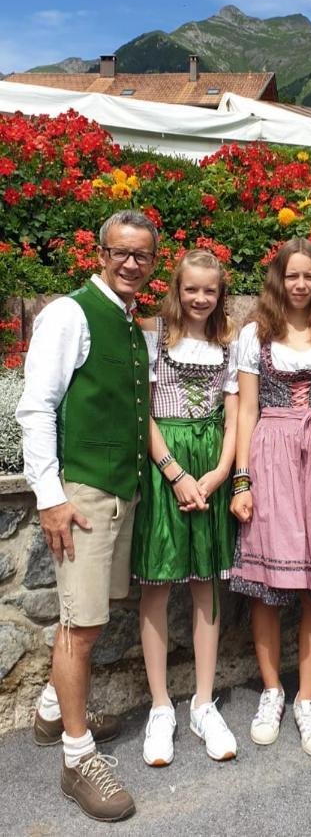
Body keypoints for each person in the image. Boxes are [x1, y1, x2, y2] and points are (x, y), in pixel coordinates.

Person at [16, 209, 159, 821]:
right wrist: (49, 494)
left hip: (119, 489)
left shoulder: (128, 322)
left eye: (142, 255)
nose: (131, 263)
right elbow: (36, 407)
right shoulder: (71, 313)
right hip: (83, 494)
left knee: (95, 617)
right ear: (100, 253)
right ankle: (78, 759)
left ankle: (54, 712)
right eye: (121, 252)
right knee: (79, 625)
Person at [230, 238, 311, 758]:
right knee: (266, 585)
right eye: (291, 275)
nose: (300, 284)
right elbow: (244, 411)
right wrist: (241, 480)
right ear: (278, 279)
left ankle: (307, 698)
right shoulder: (254, 334)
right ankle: (272, 691)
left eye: (309, 276)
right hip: (270, 456)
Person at [131, 249, 238, 766]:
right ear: (177, 288)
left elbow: (235, 417)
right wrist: (174, 473)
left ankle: (201, 701)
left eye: (209, 290)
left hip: (211, 467)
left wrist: (218, 475)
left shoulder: (228, 343)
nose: (200, 298)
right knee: (155, 585)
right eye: (192, 288)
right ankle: (159, 707)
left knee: (205, 586)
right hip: (165, 466)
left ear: (220, 293)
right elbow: (145, 413)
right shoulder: (155, 339)